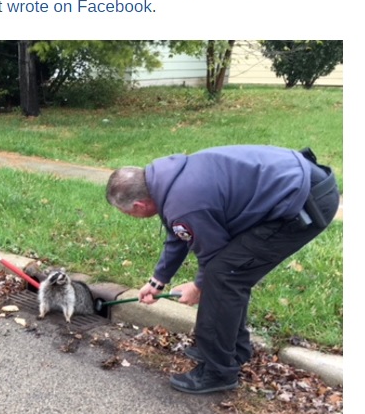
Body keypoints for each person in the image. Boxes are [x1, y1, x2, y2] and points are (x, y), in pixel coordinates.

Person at [105, 145, 339, 394]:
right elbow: (179, 233)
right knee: (228, 274)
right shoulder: (166, 181)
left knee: (223, 277)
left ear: (140, 205)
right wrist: (157, 282)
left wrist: (198, 287)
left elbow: (215, 255)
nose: (129, 215)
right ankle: (233, 350)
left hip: (303, 202)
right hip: (299, 184)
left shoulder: (184, 202)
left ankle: (218, 371)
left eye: (126, 212)